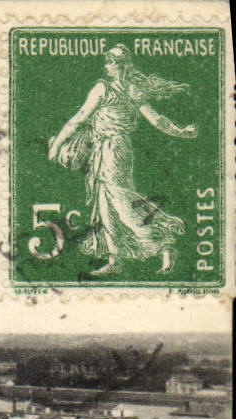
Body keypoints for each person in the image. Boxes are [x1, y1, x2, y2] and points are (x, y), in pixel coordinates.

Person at [47, 45, 197, 276]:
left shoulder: (104, 88)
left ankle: (164, 242)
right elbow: (157, 120)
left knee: (122, 202)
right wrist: (181, 131)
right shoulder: (129, 90)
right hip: (109, 149)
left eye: (111, 61)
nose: (107, 65)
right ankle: (115, 258)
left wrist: (56, 145)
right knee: (107, 204)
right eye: (107, 60)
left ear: (121, 65)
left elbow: (79, 118)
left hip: (112, 149)